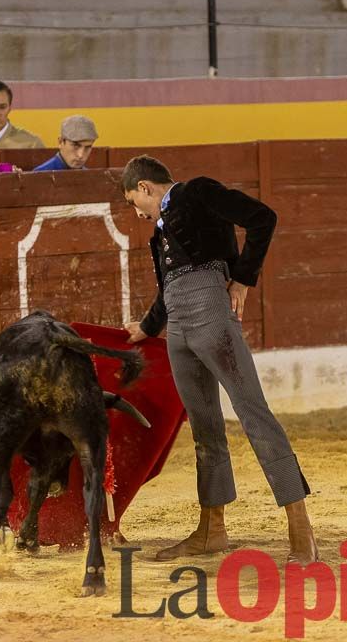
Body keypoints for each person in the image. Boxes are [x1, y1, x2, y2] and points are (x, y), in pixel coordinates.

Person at [120, 155, 319, 565]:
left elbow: (263, 218)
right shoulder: (158, 232)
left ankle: (302, 533)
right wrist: (146, 327)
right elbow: (167, 288)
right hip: (177, 325)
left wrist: (243, 276)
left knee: (254, 415)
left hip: (211, 311)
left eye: (133, 203)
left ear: (144, 187)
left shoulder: (197, 192)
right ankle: (212, 530)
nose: (136, 213)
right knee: (205, 428)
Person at [32, 115, 99, 172]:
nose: (80, 155)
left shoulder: (92, 178)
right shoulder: (39, 175)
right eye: (75, 145)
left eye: (88, 147)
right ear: (60, 142)